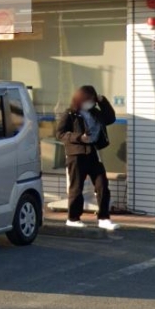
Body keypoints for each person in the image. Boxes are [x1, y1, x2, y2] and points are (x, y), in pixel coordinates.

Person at [55, 85, 118, 230]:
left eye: (93, 100)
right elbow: (60, 134)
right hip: (76, 155)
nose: (92, 103)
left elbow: (110, 118)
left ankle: (103, 218)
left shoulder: (95, 112)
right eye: (89, 100)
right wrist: (79, 137)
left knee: (102, 185)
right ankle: (73, 218)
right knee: (77, 187)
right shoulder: (70, 113)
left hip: (93, 153)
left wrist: (102, 101)